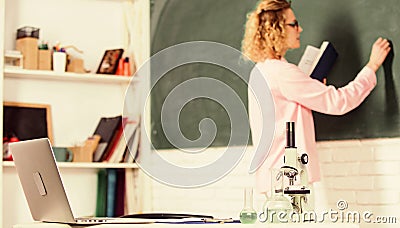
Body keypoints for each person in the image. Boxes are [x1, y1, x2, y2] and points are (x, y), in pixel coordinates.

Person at [242, 0, 390, 197]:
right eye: (293, 24)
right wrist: (372, 67)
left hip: (274, 177)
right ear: (276, 29)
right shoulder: (283, 73)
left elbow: (286, 110)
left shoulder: (260, 71)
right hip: (289, 180)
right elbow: (339, 102)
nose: (300, 29)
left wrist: (311, 84)